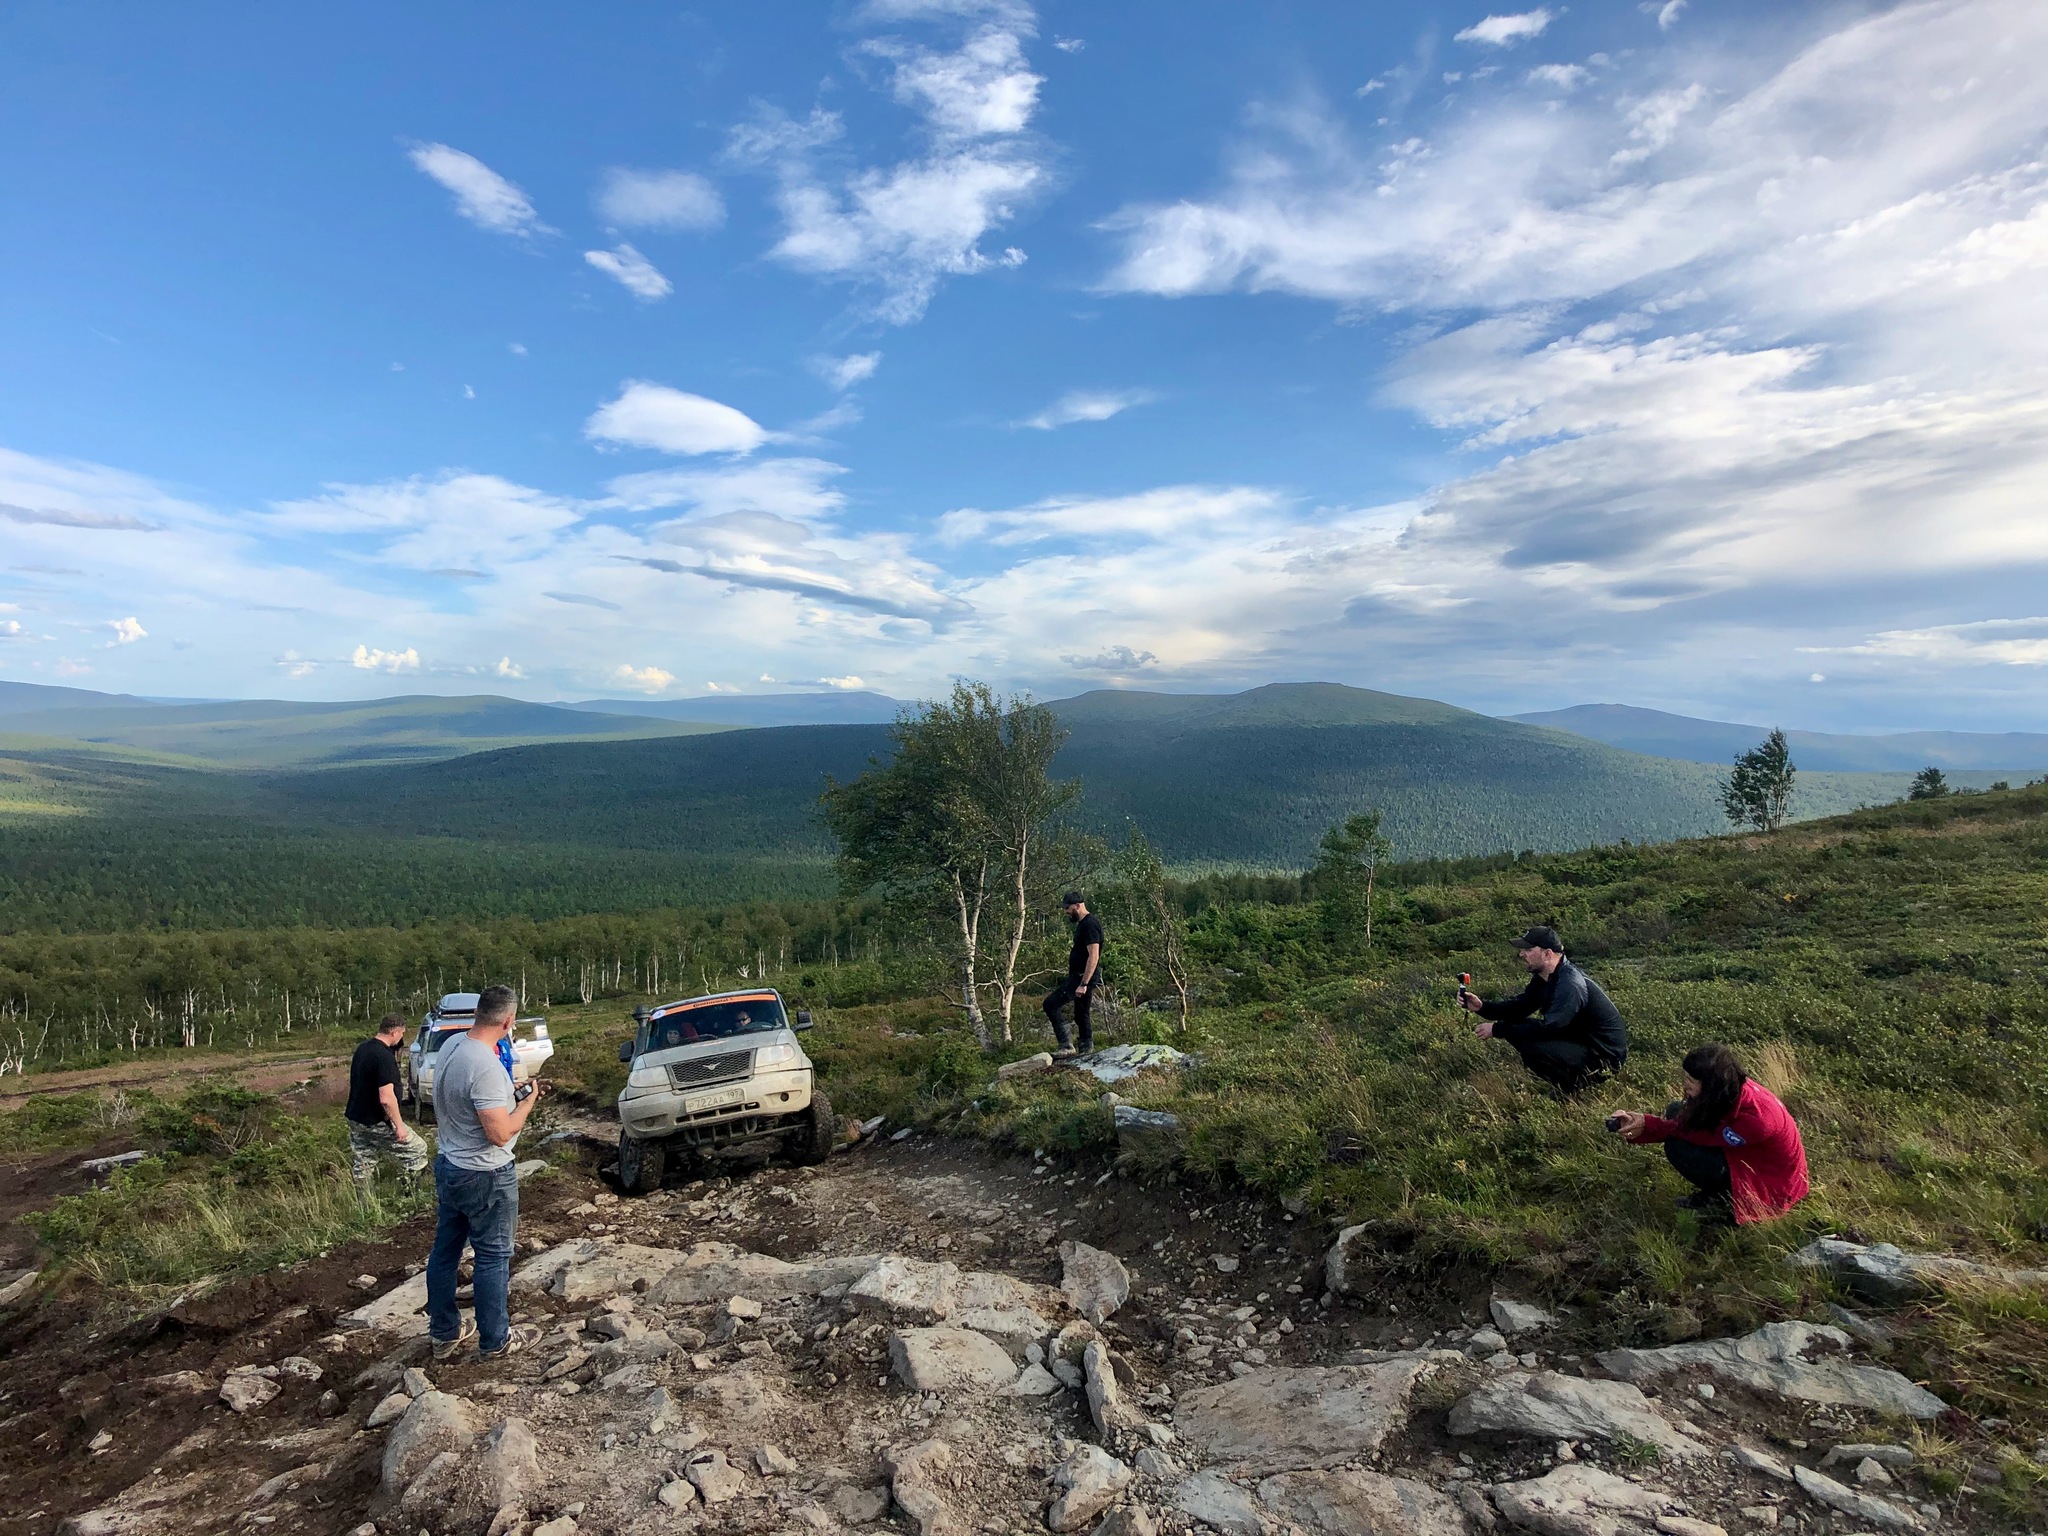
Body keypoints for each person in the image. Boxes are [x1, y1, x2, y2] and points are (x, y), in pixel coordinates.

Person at [425, 984, 547, 1362]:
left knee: (445, 1251)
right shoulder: (486, 1065)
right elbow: (499, 1134)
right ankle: (495, 1339)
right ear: (509, 1020)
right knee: (493, 1256)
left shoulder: (452, 1047)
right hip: (486, 1174)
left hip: (450, 1166)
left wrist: (504, 1094)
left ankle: (444, 1332)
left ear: (478, 1013)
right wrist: (526, 1103)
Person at [1611, 1043, 1809, 1225]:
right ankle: (1721, 1193)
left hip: (1773, 1185)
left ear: (1711, 1085)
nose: (1684, 1085)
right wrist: (1646, 1124)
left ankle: (1724, 1202)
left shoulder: (1757, 1119)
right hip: (1750, 1155)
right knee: (1676, 1110)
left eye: (1691, 1081)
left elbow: (1700, 1136)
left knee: (1678, 1148)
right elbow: (1694, 1124)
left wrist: (1648, 1125)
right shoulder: (1730, 1089)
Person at [1459, 925, 1629, 1092]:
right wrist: (1482, 1007)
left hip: (1604, 1059)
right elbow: (1520, 1008)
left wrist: (1498, 1029)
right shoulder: (1546, 977)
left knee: (1530, 1043)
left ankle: (1573, 1089)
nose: (1521, 954)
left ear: (1547, 953)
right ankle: (1569, 1085)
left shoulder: (1569, 983)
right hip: (1584, 1044)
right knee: (1515, 1028)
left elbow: (1551, 1027)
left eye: (1528, 949)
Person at [344, 1012, 429, 1184]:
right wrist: (399, 1126)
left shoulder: (363, 1049)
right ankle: (411, 1193)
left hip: (356, 1116)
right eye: (402, 1033)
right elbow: (386, 1097)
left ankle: (364, 1204)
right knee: (417, 1150)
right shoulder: (384, 1057)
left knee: (364, 1162)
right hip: (377, 1119)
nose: (402, 1038)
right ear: (394, 1032)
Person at [1044, 891, 1103, 1058]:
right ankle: (1086, 1052)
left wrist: (1083, 983)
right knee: (1081, 1013)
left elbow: (1094, 955)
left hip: (1081, 977)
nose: (1065, 911)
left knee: (1050, 1004)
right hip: (1080, 976)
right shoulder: (1084, 924)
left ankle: (1066, 1045)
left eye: (1068, 908)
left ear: (1078, 906)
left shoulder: (1090, 924)